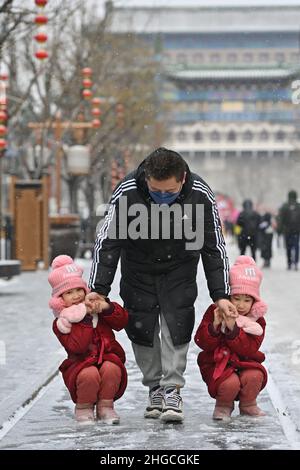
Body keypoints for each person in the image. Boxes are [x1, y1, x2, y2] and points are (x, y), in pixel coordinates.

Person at [86, 147, 237, 423]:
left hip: (179, 268)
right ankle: (154, 386)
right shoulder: (128, 191)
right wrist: (98, 288)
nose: (162, 198)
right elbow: (108, 242)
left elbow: (214, 246)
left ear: (182, 179)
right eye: (156, 192)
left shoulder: (200, 194)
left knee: (176, 326)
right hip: (138, 269)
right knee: (142, 328)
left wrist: (221, 295)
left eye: (169, 193)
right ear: (146, 179)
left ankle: (172, 389)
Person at [48, 255, 128, 425]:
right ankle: (84, 408)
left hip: (106, 357)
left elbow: (121, 322)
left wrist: (107, 307)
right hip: (80, 364)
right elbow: (78, 347)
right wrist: (84, 320)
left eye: (79, 290)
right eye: (69, 293)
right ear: (60, 299)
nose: (76, 295)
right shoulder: (62, 322)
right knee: (89, 374)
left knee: (111, 368)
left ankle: (105, 406)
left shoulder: (96, 308)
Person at [194, 255, 268, 422]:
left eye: (247, 300)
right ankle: (223, 406)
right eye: (236, 298)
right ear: (228, 296)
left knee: (254, 375)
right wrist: (214, 326)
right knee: (229, 383)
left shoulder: (257, 321)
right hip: (218, 362)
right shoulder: (215, 311)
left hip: (245, 361)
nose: (241, 305)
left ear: (254, 301)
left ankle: (248, 404)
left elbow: (249, 348)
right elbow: (201, 342)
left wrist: (233, 329)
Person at [277, 190, 300, 270]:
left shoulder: (284, 206)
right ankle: (296, 262)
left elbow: (280, 219)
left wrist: (279, 230)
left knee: (288, 247)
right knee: (296, 246)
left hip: (287, 230)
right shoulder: (298, 206)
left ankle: (289, 263)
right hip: (297, 230)